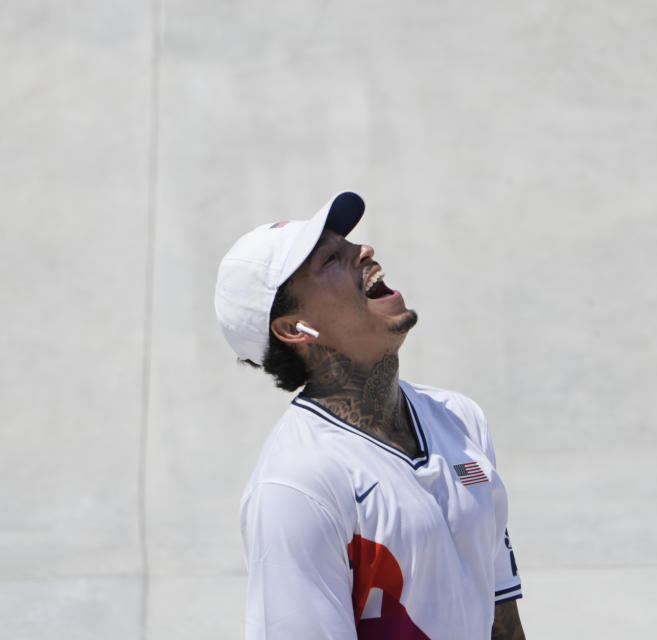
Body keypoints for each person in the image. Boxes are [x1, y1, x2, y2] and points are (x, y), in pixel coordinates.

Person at [214, 191, 525, 640]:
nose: (365, 250)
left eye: (350, 243)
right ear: (293, 329)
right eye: (331, 260)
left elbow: (503, 619)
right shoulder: (296, 484)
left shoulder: (459, 418)